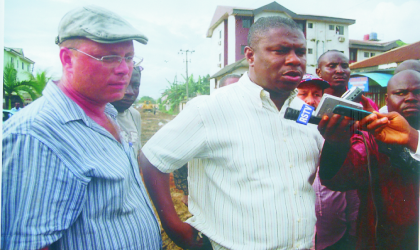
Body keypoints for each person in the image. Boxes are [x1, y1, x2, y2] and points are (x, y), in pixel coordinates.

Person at [140, 16, 324, 250]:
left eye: (301, 52)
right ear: (250, 56)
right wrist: (175, 228)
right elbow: (152, 159)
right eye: (280, 51)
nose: (294, 60)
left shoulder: (305, 113)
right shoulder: (209, 108)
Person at [2, 6, 161, 250]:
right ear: (67, 59)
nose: (123, 70)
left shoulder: (107, 112)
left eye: (129, 57)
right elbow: (28, 243)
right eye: (108, 58)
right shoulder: (36, 135)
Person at [317, 69, 420, 249]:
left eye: (418, 92)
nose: (411, 98)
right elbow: (339, 179)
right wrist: (337, 142)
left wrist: (412, 139)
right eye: (401, 93)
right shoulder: (370, 137)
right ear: (386, 100)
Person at [297, 75, 359, 250]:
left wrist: (353, 235)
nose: (310, 101)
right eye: (302, 94)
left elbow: (351, 192)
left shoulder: (336, 135)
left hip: (334, 238)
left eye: (317, 95)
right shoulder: (281, 135)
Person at [174, 74, 241, 206]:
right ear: (218, 91)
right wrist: (187, 192)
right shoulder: (202, 118)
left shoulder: (249, 119)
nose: (235, 96)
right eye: (230, 90)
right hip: (207, 195)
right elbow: (181, 158)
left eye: (239, 91)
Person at [111, 65, 142, 159]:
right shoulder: (96, 117)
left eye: (136, 86)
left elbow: (137, 152)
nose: (130, 92)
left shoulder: (134, 115)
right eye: (124, 84)